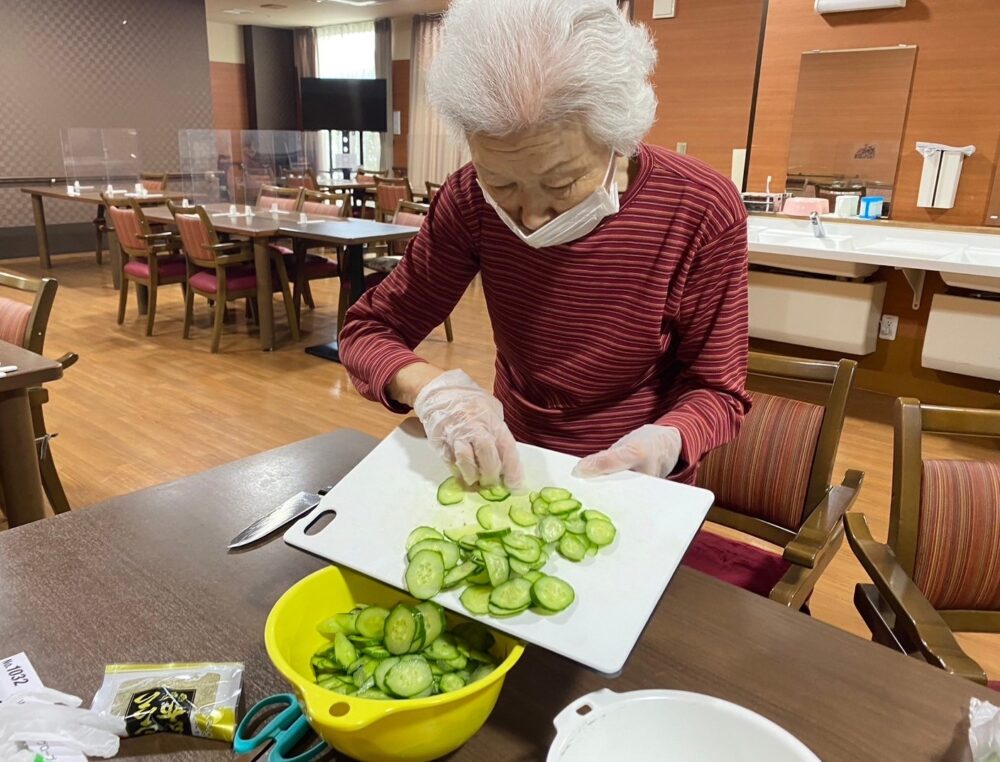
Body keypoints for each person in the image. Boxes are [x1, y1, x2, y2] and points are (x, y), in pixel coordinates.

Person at [340, 0, 751, 489]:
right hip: (511, 462)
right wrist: (433, 392)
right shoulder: (469, 198)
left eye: (561, 185)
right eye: (504, 185)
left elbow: (717, 389)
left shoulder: (700, 208)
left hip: (637, 479)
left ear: (618, 135)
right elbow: (368, 331)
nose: (531, 217)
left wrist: (668, 440)